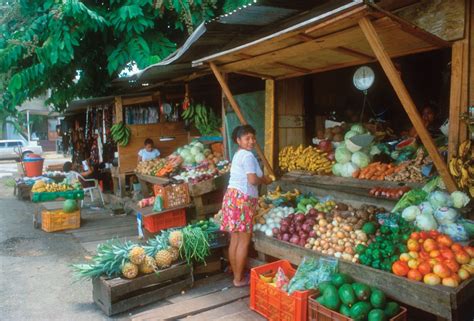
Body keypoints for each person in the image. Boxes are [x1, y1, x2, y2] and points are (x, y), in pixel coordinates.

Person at [220, 125, 272, 287]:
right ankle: (238, 279)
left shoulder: (237, 155)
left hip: (231, 197)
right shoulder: (248, 156)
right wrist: (266, 180)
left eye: (253, 138)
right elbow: (252, 180)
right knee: (243, 241)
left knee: (235, 239)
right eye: (247, 138)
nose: (251, 141)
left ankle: (236, 275)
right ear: (238, 140)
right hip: (243, 200)